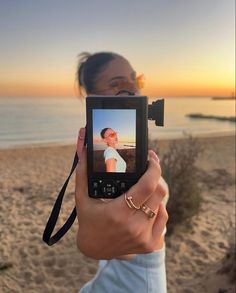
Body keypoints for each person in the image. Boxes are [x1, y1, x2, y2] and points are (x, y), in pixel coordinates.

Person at [75, 52, 169, 292]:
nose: (132, 89)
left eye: (135, 80)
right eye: (116, 84)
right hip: (136, 284)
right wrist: (92, 243)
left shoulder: (132, 151)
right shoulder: (108, 156)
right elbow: (121, 241)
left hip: (113, 280)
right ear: (92, 99)